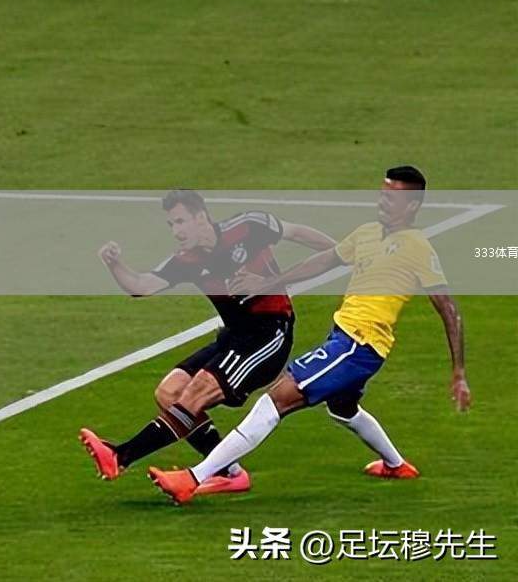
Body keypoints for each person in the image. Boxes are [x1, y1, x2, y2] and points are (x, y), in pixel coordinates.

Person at [149, 166, 471, 505]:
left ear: (412, 205)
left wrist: (459, 372)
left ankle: (193, 478)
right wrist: (269, 283)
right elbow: (322, 262)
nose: (382, 201)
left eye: (393, 197)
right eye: (382, 193)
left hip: (358, 345)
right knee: (343, 408)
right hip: (345, 337)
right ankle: (396, 465)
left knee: (274, 401)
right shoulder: (367, 234)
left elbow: (448, 307)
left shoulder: (417, 248)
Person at [81, 189, 335, 494]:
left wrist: (341, 252)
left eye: (180, 222)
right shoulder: (186, 260)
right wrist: (115, 264)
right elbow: (141, 286)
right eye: (171, 225)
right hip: (234, 337)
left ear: (201, 216)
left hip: (268, 335)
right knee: (170, 392)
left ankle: (121, 456)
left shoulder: (248, 226)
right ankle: (229, 472)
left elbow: (296, 232)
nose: (176, 231)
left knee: (197, 391)